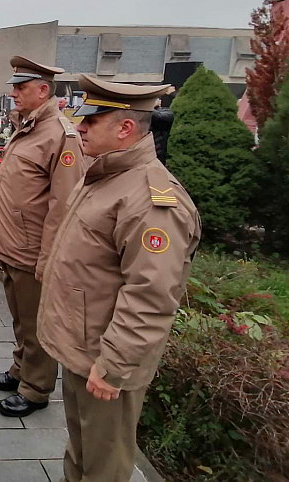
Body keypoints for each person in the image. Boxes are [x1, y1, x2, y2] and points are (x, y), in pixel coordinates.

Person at [38, 75, 201, 482]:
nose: (80, 127)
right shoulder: (106, 175)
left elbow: (151, 296)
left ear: (125, 128)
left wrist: (115, 366)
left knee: (104, 466)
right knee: (82, 451)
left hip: (106, 360)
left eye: (92, 120)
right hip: (83, 348)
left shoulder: (150, 200)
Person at [0, 56, 85, 417]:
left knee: (37, 323)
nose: (13, 93)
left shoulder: (60, 135)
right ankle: (20, 370)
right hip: (13, 245)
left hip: (33, 250)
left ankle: (36, 388)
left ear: (43, 90)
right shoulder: (29, 126)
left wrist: (48, 258)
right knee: (21, 318)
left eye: (20, 87)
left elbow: (64, 205)